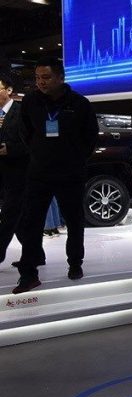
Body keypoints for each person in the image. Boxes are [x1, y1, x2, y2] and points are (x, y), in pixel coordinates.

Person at [13, 57, 98, 294]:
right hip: (39, 172)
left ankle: (75, 264)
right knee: (31, 223)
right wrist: (39, 153)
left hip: (70, 173)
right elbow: (24, 132)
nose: (41, 82)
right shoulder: (30, 101)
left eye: (46, 77)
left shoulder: (79, 104)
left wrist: (75, 158)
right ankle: (29, 273)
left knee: (74, 221)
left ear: (61, 77)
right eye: (37, 78)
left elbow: (90, 136)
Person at [0, 73, 28, 266]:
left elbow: (30, 142)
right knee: (18, 219)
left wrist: (10, 149)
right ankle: (36, 253)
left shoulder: (21, 112)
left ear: (8, 90)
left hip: (18, 174)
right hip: (2, 175)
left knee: (9, 216)